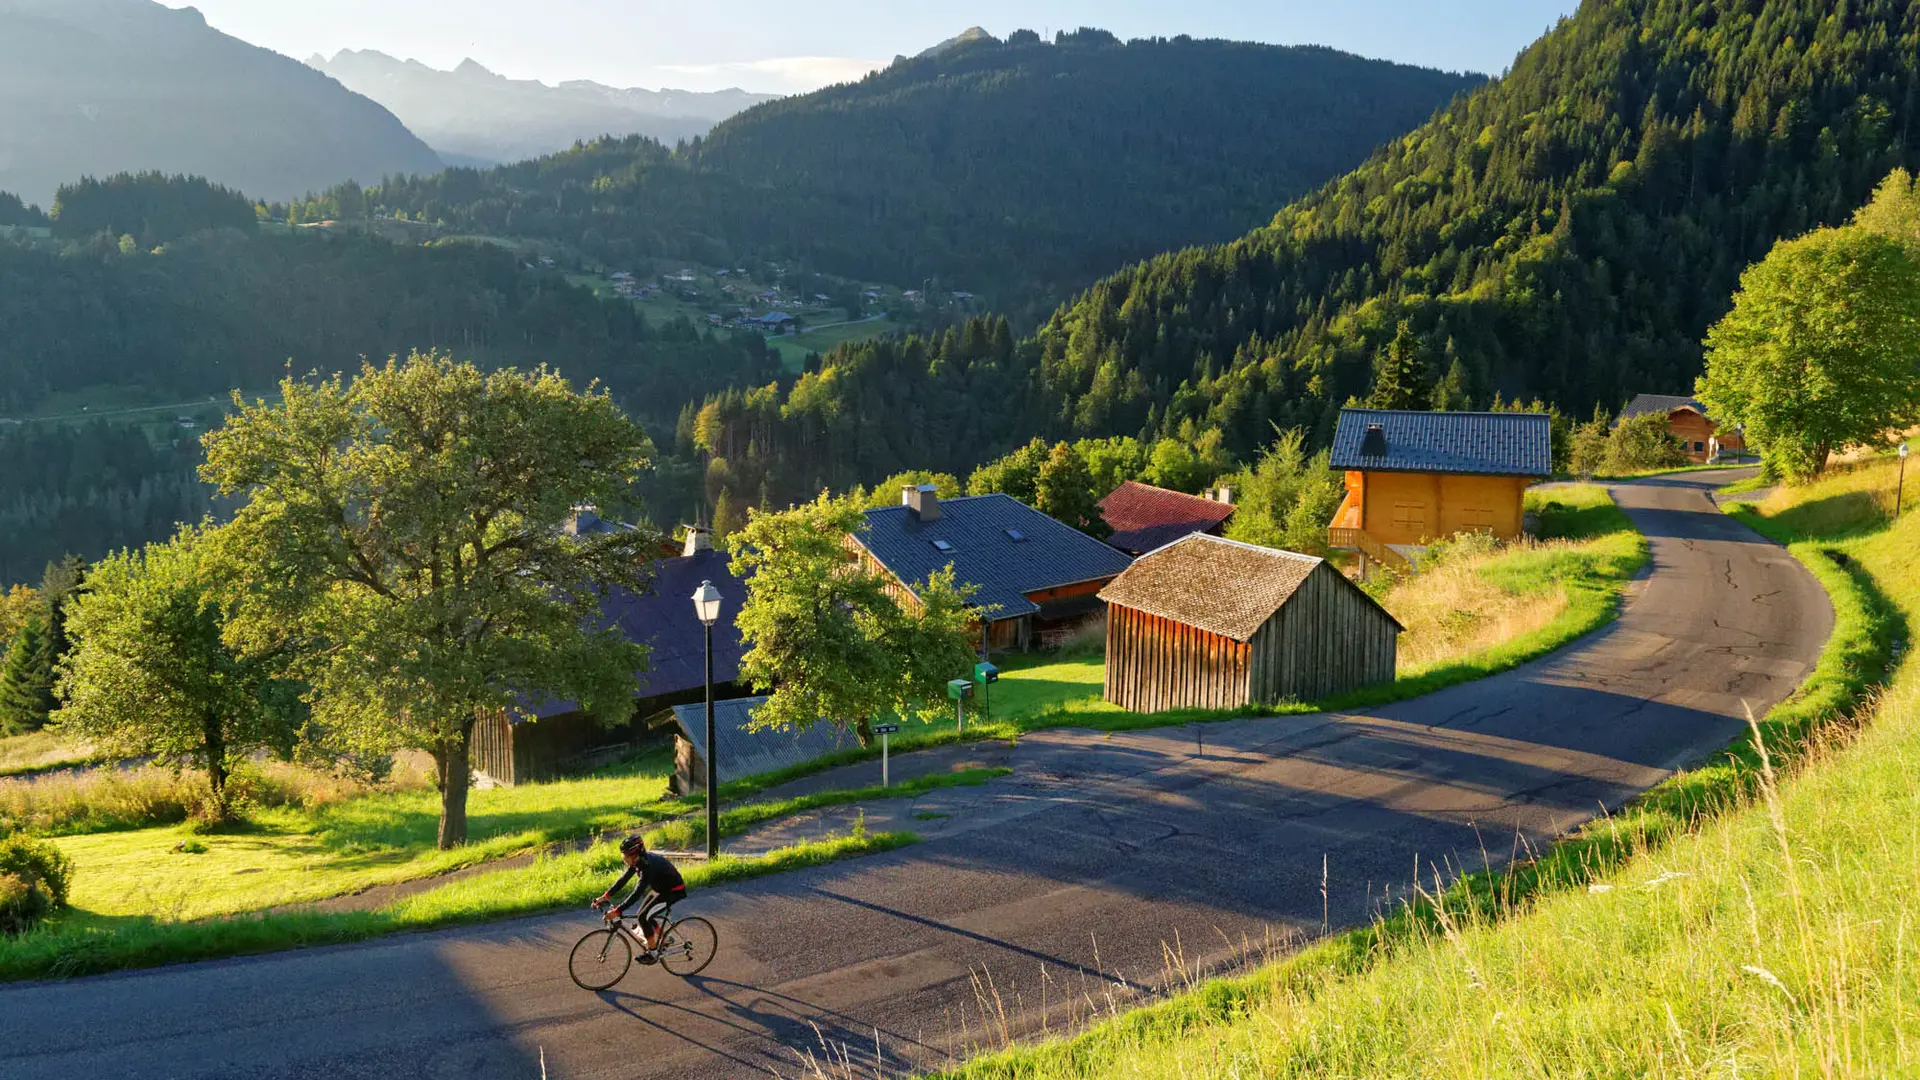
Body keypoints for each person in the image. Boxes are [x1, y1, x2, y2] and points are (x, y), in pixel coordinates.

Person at [593, 835, 688, 962]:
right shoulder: (638, 860)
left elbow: (637, 893)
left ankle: (653, 953)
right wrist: (605, 896)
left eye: (626, 856)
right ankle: (664, 937)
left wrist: (617, 911)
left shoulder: (647, 867)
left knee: (643, 917)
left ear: (635, 855)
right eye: (624, 856)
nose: (624, 859)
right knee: (642, 914)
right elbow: (623, 880)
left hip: (674, 891)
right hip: (661, 889)